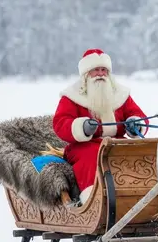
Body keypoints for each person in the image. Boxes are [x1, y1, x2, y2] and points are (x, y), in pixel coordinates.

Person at [53, 48, 148, 204]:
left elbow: (139, 115)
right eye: (96, 70)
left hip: (116, 142)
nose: (100, 74)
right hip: (84, 146)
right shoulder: (72, 96)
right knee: (92, 156)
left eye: (104, 70)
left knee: (137, 152)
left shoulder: (120, 94)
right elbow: (60, 122)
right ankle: (93, 200)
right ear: (86, 74)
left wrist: (135, 123)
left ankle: (140, 196)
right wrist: (82, 127)